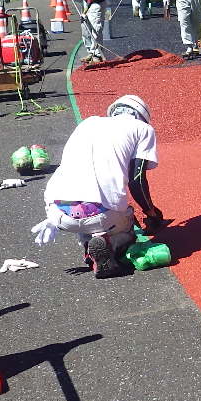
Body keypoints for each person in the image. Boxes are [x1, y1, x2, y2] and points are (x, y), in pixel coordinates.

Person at [30, 94, 164, 279]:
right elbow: (137, 180)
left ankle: (89, 248)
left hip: (57, 211)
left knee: (87, 206)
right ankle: (110, 243)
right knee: (127, 223)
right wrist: (152, 213)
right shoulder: (142, 129)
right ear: (142, 116)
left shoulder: (87, 123)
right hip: (100, 214)